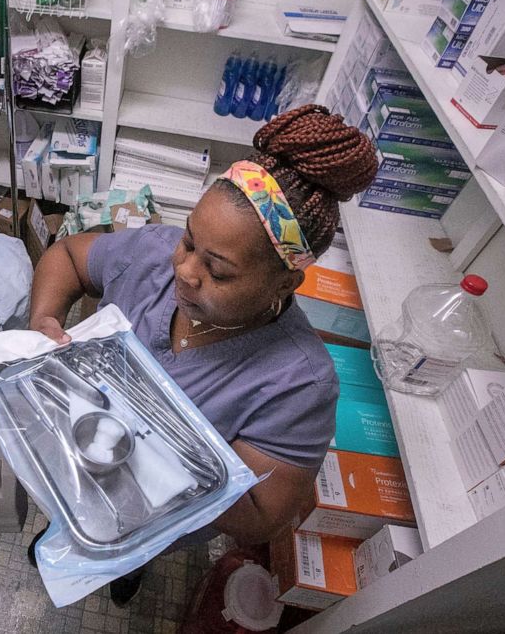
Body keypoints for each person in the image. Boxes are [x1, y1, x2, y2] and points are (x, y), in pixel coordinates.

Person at [26, 104, 378, 606]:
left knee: (128, 547)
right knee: (68, 511)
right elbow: (66, 257)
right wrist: (45, 321)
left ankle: (127, 567)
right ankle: (62, 532)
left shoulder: (299, 384)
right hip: (80, 451)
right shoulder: (153, 253)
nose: (185, 272)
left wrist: (151, 446)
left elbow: (260, 514)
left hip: (156, 516)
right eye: (189, 242)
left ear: (285, 282)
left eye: (219, 271)